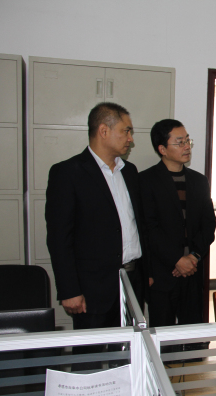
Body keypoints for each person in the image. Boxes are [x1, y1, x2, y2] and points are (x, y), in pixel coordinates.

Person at [46, 102, 147, 367]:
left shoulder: (129, 172)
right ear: (103, 131)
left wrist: (146, 272)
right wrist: (69, 290)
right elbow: (59, 238)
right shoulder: (68, 173)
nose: (130, 138)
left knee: (128, 357)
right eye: (126, 131)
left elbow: (137, 225)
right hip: (92, 287)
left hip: (131, 282)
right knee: (89, 360)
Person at [139, 119, 216, 337]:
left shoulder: (199, 181)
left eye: (188, 141)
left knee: (193, 334)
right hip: (162, 273)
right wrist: (176, 259)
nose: (186, 146)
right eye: (179, 142)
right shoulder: (145, 180)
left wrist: (193, 256)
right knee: (161, 336)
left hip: (193, 270)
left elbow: (208, 224)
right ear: (162, 149)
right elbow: (149, 228)